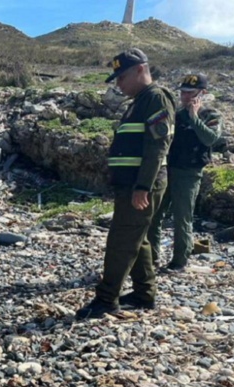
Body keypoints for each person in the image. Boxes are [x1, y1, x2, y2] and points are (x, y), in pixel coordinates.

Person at [76, 49, 176, 319]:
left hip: (141, 186)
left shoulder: (155, 98)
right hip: (130, 185)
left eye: (122, 77)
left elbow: (157, 146)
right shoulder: (139, 100)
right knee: (136, 237)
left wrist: (143, 186)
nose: (118, 84)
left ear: (140, 70)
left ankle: (106, 299)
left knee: (121, 241)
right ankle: (145, 293)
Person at [149, 73, 223, 272]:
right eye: (182, 92)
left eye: (190, 93)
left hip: (189, 173)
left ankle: (179, 261)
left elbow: (210, 139)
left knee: (183, 217)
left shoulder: (211, 115)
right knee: (155, 214)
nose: (185, 96)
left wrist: (194, 117)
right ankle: (151, 257)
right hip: (167, 169)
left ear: (202, 93)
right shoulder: (176, 113)